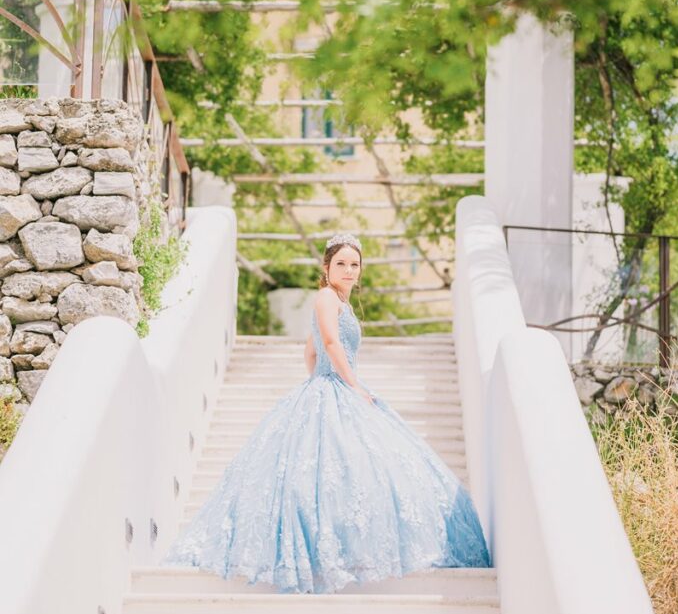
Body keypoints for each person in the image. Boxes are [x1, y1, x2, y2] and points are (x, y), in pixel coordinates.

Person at [161, 231, 492, 593]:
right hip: (337, 385)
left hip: (333, 384)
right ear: (326, 267)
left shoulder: (341, 302)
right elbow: (329, 344)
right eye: (341, 264)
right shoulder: (325, 297)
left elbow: (309, 349)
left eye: (354, 264)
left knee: (358, 470)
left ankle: (349, 551)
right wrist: (348, 384)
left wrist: (328, 378)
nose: (349, 270)